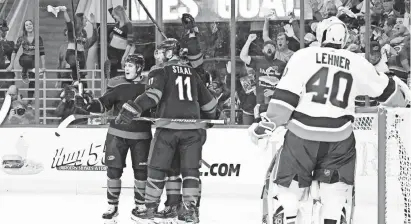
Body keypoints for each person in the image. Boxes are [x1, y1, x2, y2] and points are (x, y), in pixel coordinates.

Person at [249, 16, 409, 224]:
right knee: (335, 196)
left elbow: (285, 97)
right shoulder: (356, 61)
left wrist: (268, 124)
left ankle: (286, 211)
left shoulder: (303, 56)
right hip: (339, 139)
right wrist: (404, 97)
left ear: (321, 35)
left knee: (290, 191)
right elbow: (390, 94)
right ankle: (333, 214)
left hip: (301, 137)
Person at [115, 38, 217, 224]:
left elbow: (153, 96)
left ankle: (150, 208)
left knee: (157, 168)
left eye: (161, 52)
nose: (158, 56)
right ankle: (189, 211)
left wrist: (132, 108)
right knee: (190, 171)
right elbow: (210, 104)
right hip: (193, 131)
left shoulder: (160, 70)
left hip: (168, 130)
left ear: (169, 53)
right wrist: (209, 118)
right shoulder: (193, 73)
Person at [85, 54, 152, 223]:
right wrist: (88, 103)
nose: (127, 68)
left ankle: (140, 206)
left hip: (141, 137)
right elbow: (102, 104)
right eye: (126, 65)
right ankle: (112, 207)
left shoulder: (149, 86)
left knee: (141, 172)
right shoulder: (118, 84)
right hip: (117, 135)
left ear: (139, 68)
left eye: (131, 65)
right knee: (113, 171)